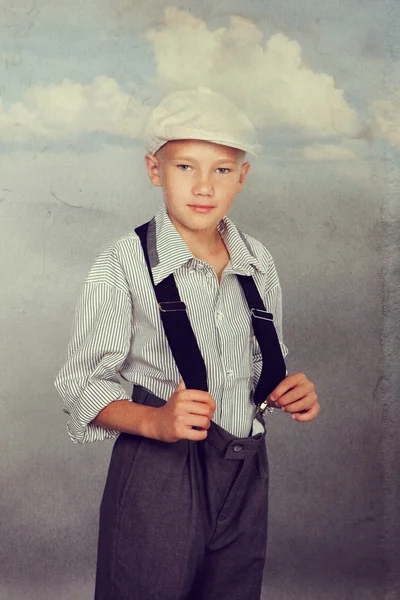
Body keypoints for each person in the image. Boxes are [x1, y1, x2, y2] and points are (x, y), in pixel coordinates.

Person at [55, 87, 320, 600]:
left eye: (221, 169)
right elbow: (80, 386)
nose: (203, 185)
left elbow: (262, 363)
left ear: (241, 177)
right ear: (155, 169)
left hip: (244, 471)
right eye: (184, 167)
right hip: (160, 471)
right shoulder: (121, 263)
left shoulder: (257, 260)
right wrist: (154, 421)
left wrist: (283, 389)